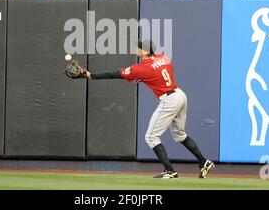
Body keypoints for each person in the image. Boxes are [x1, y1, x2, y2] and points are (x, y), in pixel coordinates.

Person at [84, 39, 215, 179]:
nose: (137, 49)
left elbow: (115, 74)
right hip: (180, 95)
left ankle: (170, 171)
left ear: (145, 51)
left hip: (169, 100)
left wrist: (91, 76)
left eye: (139, 48)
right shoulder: (163, 58)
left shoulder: (140, 68)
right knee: (180, 135)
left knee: (151, 137)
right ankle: (203, 161)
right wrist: (143, 78)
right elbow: (157, 70)